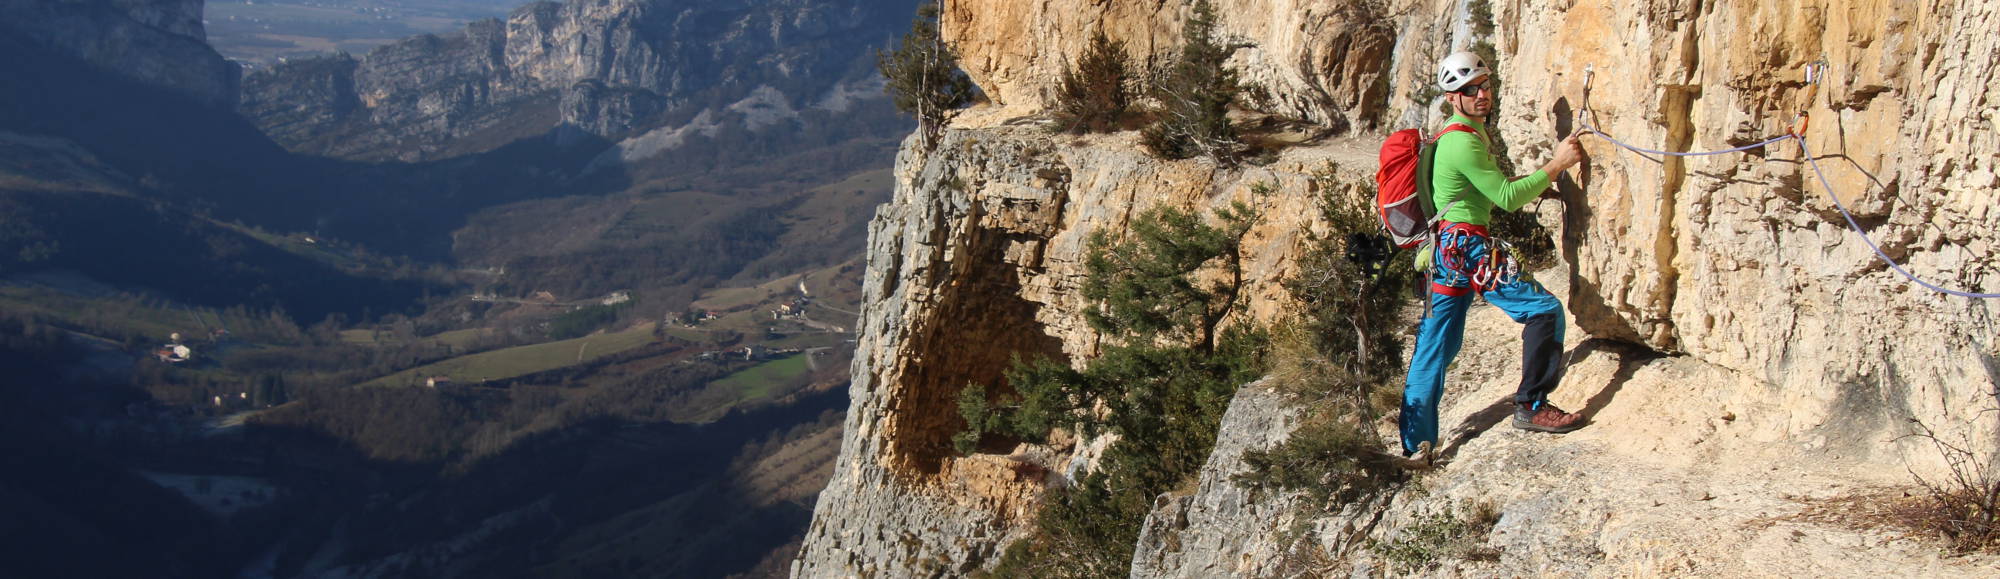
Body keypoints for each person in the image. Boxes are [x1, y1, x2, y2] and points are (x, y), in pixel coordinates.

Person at [1401, 51, 1588, 463]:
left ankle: (1416, 447)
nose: (1482, 94)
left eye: (1485, 85)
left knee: (1435, 345)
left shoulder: (1457, 134)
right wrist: (1555, 166)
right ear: (1452, 97)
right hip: (1467, 247)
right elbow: (1505, 198)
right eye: (1470, 90)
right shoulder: (1463, 142)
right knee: (1543, 310)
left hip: (1445, 251)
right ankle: (1533, 407)